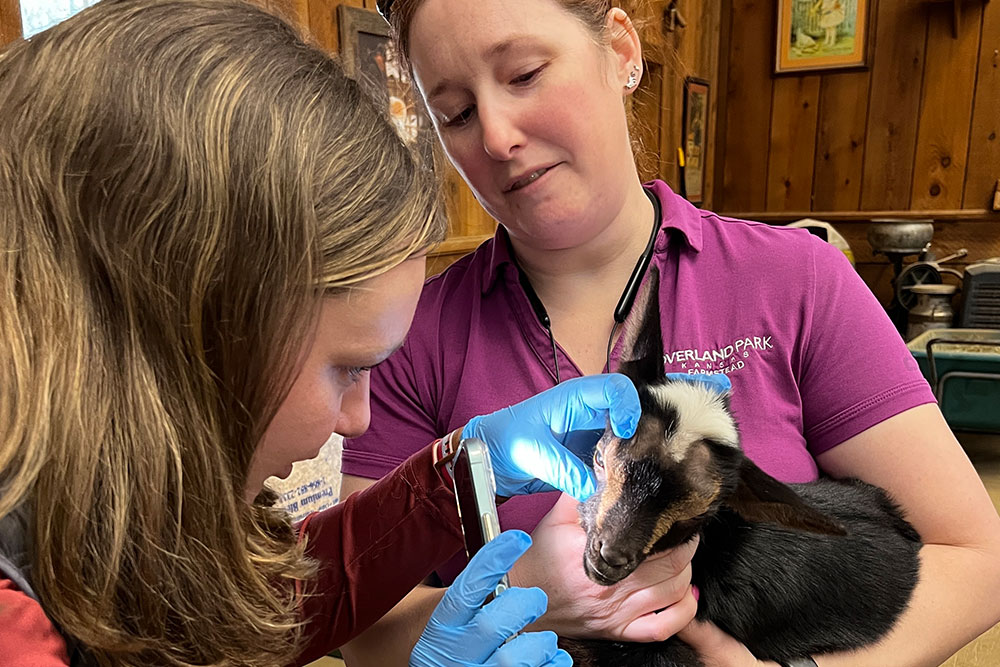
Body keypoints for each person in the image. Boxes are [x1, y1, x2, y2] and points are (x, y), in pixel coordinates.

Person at [340, 0, 1000, 665]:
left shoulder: (799, 279)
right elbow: (362, 630)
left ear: (622, 52)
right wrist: (521, 590)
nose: (496, 136)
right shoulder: (404, 337)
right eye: (455, 113)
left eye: (525, 73)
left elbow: (977, 559)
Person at [0, 1, 645, 665]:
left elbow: (256, 605)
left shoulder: (108, 512)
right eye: (347, 366)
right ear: (176, 330)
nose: (356, 419)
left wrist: (453, 479)